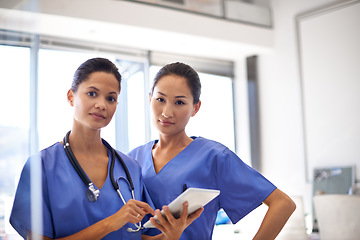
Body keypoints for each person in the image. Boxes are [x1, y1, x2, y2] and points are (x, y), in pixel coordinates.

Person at [10, 58, 188, 240]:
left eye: (111, 98)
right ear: (71, 97)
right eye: (92, 94)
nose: (102, 105)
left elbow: (136, 236)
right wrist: (110, 223)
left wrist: (170, 236)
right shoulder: (41, 167)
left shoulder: (130, 168)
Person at [128, 62, 297, 239]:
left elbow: (283, 204)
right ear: (149, 99)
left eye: (179, 102)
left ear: (195, 107)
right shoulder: (132, 159)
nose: (167, 112)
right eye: (160, 99)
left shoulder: (213, 157)